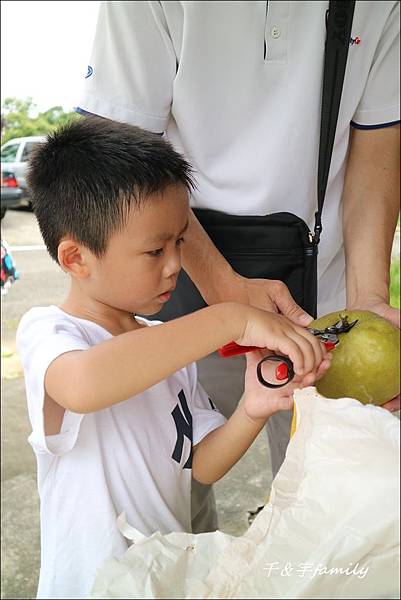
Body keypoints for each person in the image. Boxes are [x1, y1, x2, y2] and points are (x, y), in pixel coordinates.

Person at [76, 1, 400, 528]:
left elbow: (378, 140)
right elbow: (119, 149)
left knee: (325, 502)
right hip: (173, 298)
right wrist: (227, 295)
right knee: (162, 495)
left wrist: (368, 301)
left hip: (328, 300)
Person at [16, 118, 331, 599]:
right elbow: (84, 387)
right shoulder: (51, 333)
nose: (175, 265)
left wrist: (252, 408)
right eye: (154, 250)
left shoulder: (168, 347)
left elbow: (198, 466)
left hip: (166, 581)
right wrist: (230, 319)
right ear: (76, 258)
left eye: (179, 242)